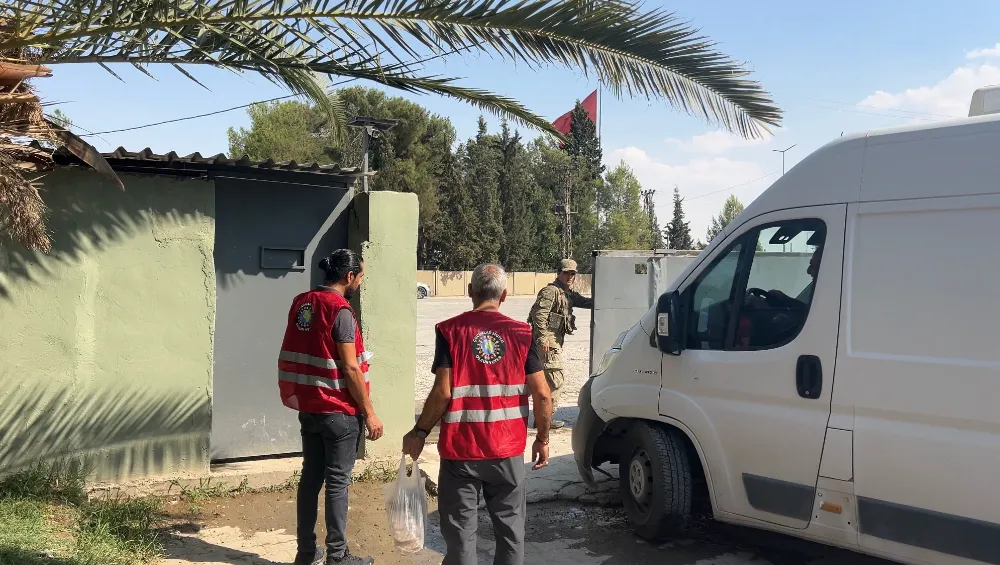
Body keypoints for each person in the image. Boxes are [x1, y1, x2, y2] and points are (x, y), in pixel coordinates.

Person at [402, 263, 552, 565]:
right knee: (511, 534)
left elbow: (443, 392)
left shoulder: (450, 331)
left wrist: (419, 432)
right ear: (505, 295)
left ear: (470, 292)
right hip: (507, 452)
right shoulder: (522, 334)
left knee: (460, 539)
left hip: (461, 454)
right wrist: (543, 439)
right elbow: (543, 394)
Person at [277, 249, 382, 565]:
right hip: (338, 412)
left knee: (310, 480)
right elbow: (351, 369)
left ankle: (306, 554)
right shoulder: (342, 311)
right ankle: (337, 557)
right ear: (349, 277)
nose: (360, 283)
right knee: (337, 484)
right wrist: (370, 413)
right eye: (360, 277)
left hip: (309, 408)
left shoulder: (302, 302)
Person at [527, 258, 593, 429]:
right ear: (559, 273)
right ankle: (545, 420)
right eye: (566, 273)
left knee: (546, 381)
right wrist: (543, 338)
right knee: (556, 380)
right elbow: (539, 315)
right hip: (547, 343)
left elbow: (586, 302)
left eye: (572, 274)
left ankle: (541, 418)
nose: (569, 276)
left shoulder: (567, 293)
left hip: (553, 342)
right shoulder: (551, 291)